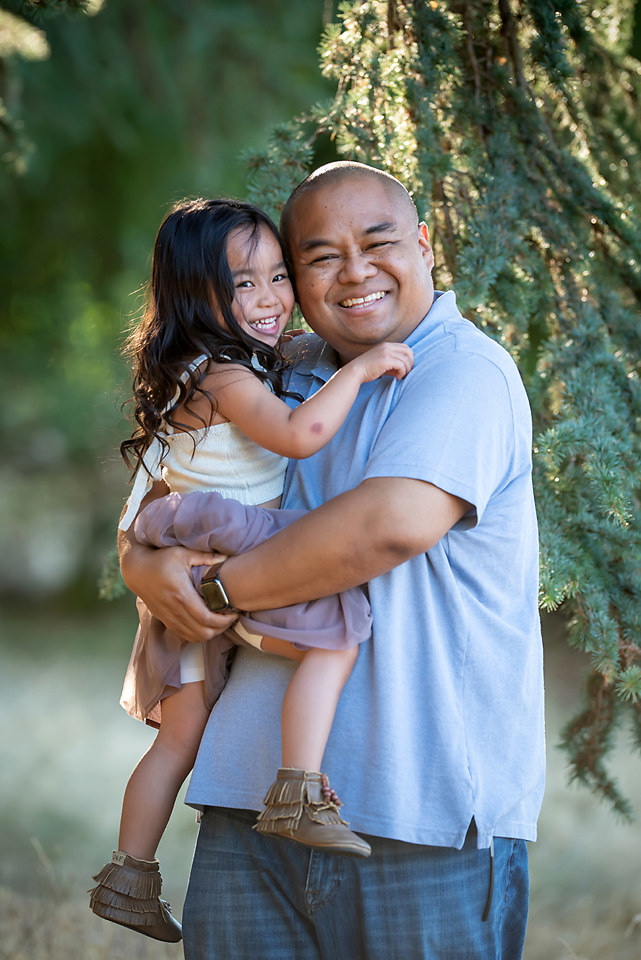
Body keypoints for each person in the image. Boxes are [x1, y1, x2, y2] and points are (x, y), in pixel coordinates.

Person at [119, 162, 545, 960]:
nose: (353, 271)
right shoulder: (269, 368)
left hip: (414, 813)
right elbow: (166, 486)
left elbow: (383, 527)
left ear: (423, 245)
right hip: (245, 802)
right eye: (317, 258)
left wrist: (209, 588)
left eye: (377, 242)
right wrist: (139, 567)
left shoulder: (462, 370)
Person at [91, 197, 414, 943]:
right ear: (193, 294)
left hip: (191, 542)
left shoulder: (205, 367)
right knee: (338, 634)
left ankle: (129, 874)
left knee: (179, 739)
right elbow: (299, 435)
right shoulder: (228, 381)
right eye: (244, 285)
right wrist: (360, 368)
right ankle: (297, 787)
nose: (270, 299)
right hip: (225, 538)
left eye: (278, 277)